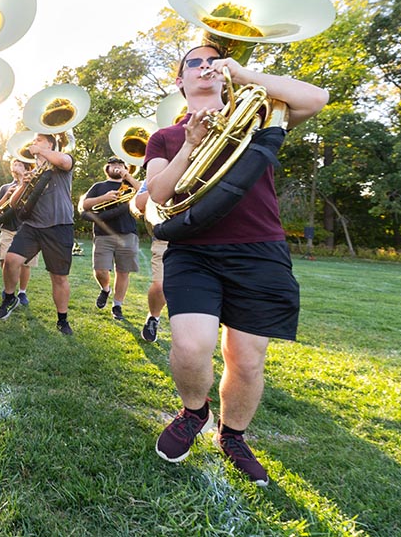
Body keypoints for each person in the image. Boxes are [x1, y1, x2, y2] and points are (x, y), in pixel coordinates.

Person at [146, 44, 328, 486]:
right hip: (194, 249)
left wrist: (244, 75)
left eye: (213, 60)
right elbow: (156, 194)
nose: (205, 66)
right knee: (190, 347)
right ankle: (194, 413)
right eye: (194, 62)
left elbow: (316, 97)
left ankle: (233, 436)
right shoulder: (165, 137)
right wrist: (188, 146)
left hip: (259, 248)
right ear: (180, 81)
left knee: (246, 360)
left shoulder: (262, 112)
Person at [0, 132, 76, 335]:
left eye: (38, 140)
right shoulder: (32, 171)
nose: (34, 143)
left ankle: (62, 320)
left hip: (59, 226)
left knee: (59, 277)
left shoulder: (60, 163)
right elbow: (13, 204)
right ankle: (9, 297)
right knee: (11, 260)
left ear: (51, 144)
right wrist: (23, 184)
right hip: (32, 226)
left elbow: (65, 161)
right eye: (34, 141)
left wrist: (42, 151)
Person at [80, 157, 141, 321]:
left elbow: (145, 193)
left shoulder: (131, 185)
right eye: (113, 165)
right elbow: (84, 205)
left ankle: (117, 305)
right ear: (107, 168)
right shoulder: (98, 186)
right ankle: (105, 289)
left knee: (123, 272)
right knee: (100, 270)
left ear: (126, 168)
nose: (117, 167)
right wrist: (104, 198)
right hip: (103, 235)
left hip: (127, 233)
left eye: (120, 165)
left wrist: (128, 177)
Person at [0, 158, 37, 306]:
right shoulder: (5, 187)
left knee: (25, 264)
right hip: (8, 229)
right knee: (4, 261)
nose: (16, 167)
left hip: (26, 229)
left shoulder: (32, 186)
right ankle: (8, 290)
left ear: (26, 169)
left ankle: (22, 292)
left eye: (20, 165)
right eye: (14, 164)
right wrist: (8, 195)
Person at [132, 181, 165, 342]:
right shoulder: (158, 169)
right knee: (160, 286)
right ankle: (154, 316)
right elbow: (139, 204)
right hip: (166, 236)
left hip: (204, 237)